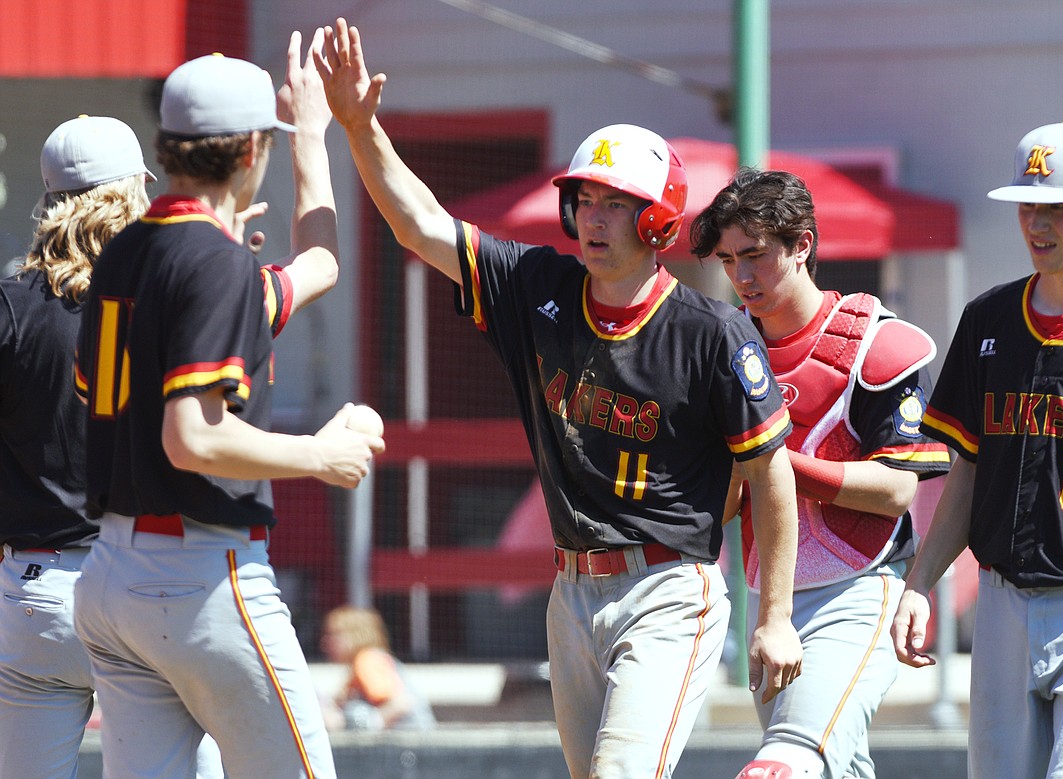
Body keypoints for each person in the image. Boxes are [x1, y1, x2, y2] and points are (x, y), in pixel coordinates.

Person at [314, 17, 803, 778]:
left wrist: (773, 616)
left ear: (657, 219)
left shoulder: (712, 333)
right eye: (584, 199)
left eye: (616, 202)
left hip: (669, 586)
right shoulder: (537, 285)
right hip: (570, 590)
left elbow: (771, 473)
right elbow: (418, 226)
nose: (593, 217)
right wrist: (359, 126)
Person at [72, 32, 384, 779]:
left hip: (111, 574)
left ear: (168, 147)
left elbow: (320, 264)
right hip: (197, 573)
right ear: (251, 150)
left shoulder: (123, 250)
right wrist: (320, 452)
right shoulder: (218, 263)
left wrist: (306, 133)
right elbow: (191, 437)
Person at [891, 119, 1063, 779]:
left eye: (1058, 209)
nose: (1037, 224)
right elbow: (967, 471)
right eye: (1028, 207)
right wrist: (921, 580)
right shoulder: (988, 318)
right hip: (1002, 604)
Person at [690, 169, 951, 779]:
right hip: (768, 600)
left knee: (785, 763)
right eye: (728, 261)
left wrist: (774, 463)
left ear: (802, 245)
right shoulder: (723, 349)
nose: (741, 277)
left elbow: (897, 490)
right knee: (834, 764)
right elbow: (726, 505)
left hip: (859, 592)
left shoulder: (873, 342)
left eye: (754, 255)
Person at [0, 115, 228, 779]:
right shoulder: (177, 297)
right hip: (146, 583)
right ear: (134, 195)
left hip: (34, 591)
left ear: (48, 203)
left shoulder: (10, 308)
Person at [318, 605, 436, 731]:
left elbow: (401, 704)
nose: (325, 642)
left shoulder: (368, 660)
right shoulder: (362, 662)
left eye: (332, 635)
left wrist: (369, 725)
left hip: (410, 741)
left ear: (353, 635)